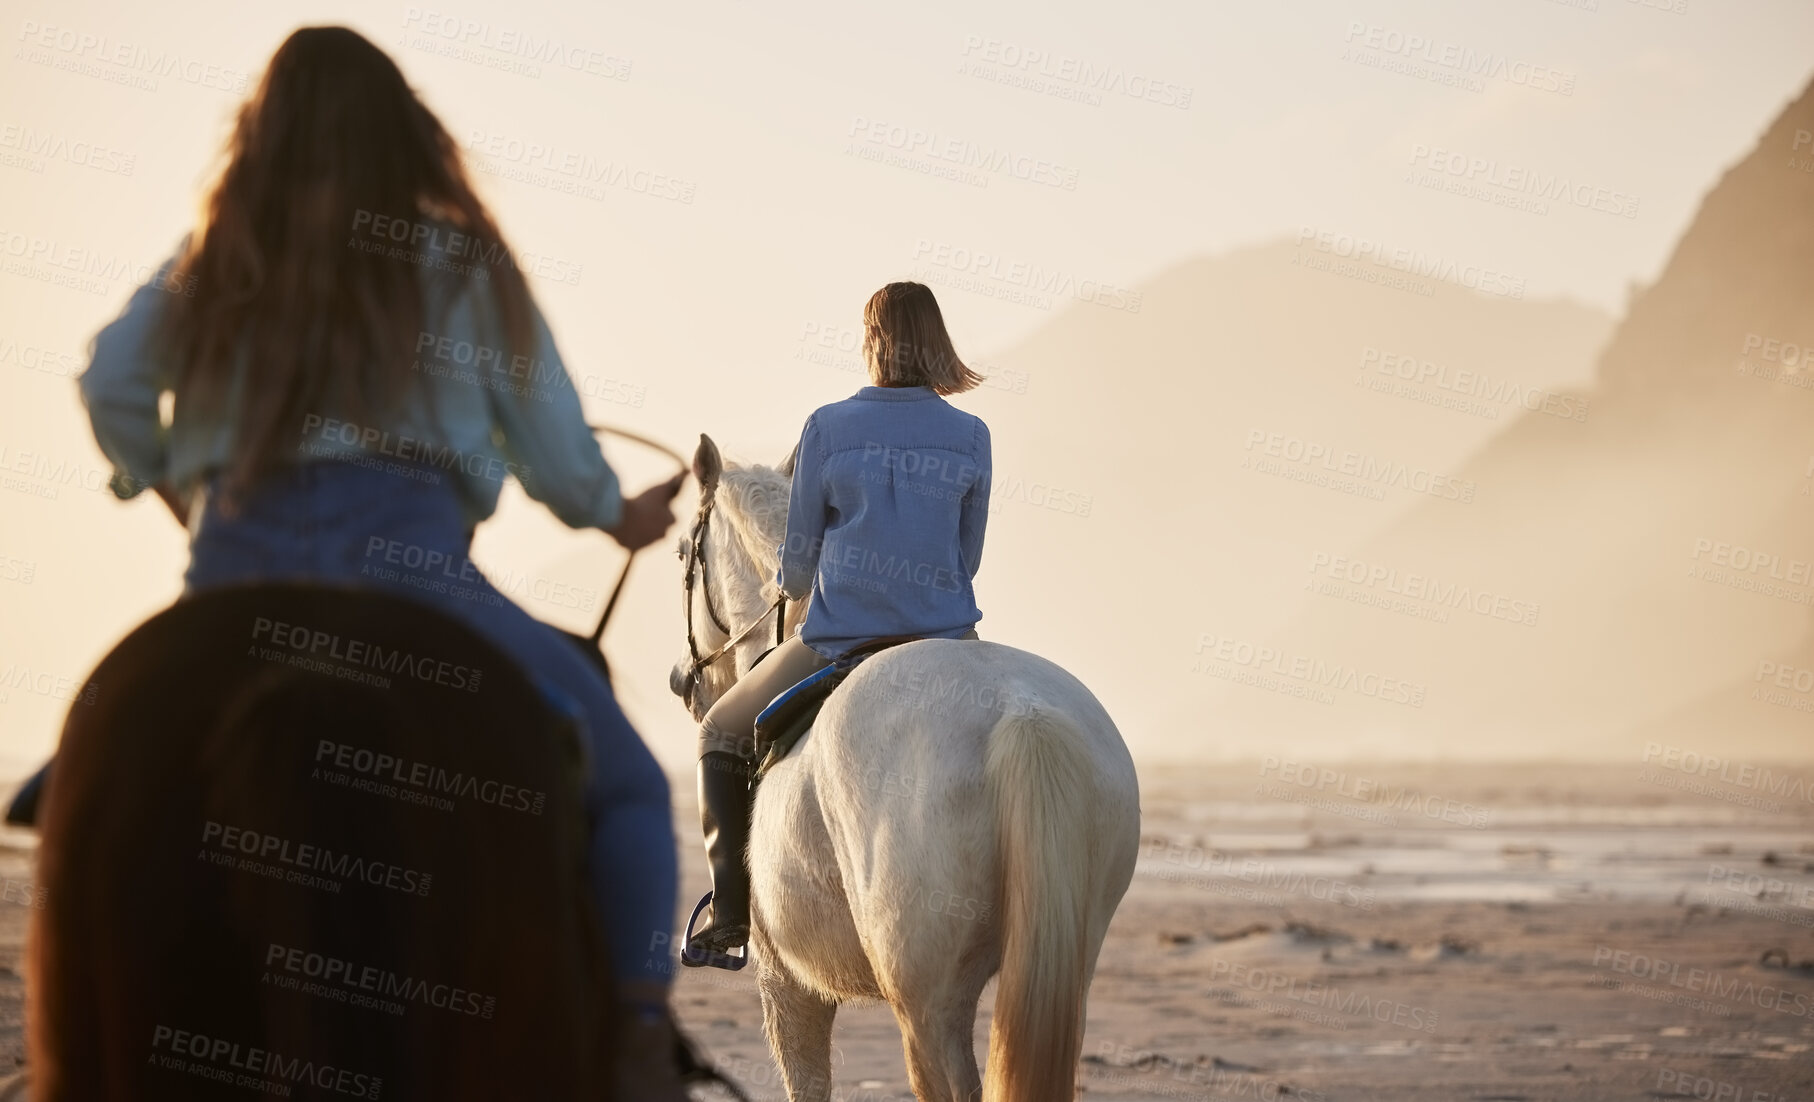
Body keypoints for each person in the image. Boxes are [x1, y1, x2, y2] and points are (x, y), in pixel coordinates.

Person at [75, 26, 687, 1096]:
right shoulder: (462, 263)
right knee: (630, 790)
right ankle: (639, 1044)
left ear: (258, 137)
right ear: (410, 133)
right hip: (413, 565)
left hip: (234, 565)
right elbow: (554, 446)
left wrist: (165, 481)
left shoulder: (216, 256)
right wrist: (613, 515)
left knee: (93, 766)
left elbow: (111, 381)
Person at [688, 281, 992, 955]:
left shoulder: (827, 427)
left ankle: (731, 917)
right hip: (950, 637)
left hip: (843, 639)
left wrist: (805, 583)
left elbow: (796, 569)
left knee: (719, 729)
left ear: (873, 342)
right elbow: (965, 561)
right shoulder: (972, 435)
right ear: (936, 340)